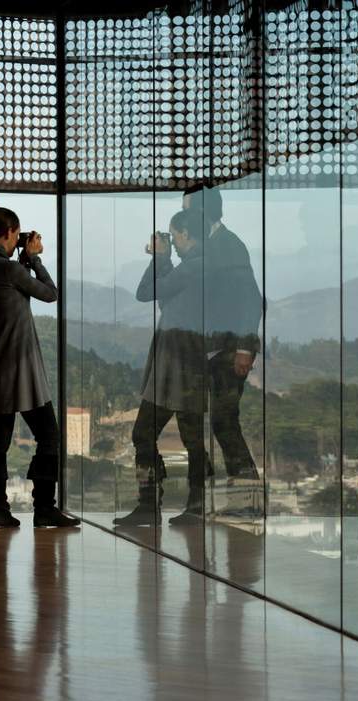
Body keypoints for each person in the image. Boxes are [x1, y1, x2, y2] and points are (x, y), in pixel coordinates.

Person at [0, 207, 79, 529]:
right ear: (8, 234)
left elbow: (7, 281)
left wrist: (20, 258)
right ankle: (44, 507)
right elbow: (50, 294)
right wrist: (34, 259)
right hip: (22, 364)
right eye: (16, 235)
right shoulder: (9, 269)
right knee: (49, 436)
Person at [115, 208, 212, 527]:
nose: (172, 241)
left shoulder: (192, 268)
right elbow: (167, 294)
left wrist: (159, 258)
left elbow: (146, 293)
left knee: (144, 433)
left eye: (174, 235)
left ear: (184, 234)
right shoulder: (200, 267)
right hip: (188, 361)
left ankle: (150, 504)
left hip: (175, 363)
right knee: (192, 439)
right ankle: (195, 505)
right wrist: (164, 259)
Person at [184, 185, 263, 510]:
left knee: (224, 422)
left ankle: (248, 500)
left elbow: (251, 297)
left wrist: (245, 347)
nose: (185, 217)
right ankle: (218, 499)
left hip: (228, 350)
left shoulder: (229, 245)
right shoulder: (206, 245)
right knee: (210, 422)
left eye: (188, 210)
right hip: (209, 348)